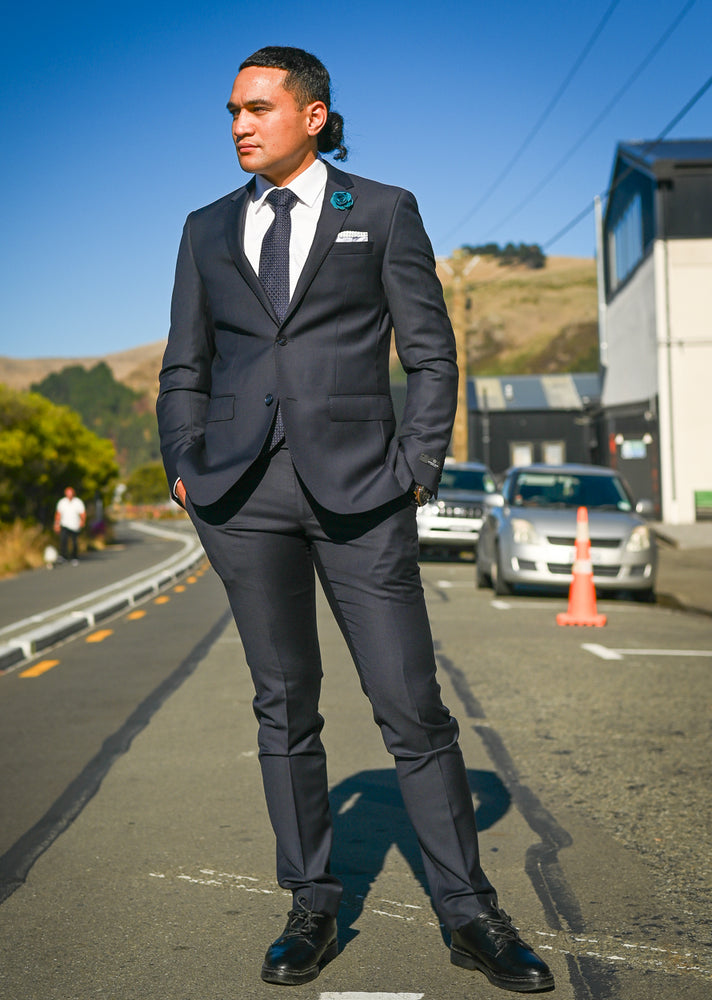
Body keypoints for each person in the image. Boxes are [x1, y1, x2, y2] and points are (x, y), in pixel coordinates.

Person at [157, 46, 554, 993]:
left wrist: (416, 468)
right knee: (284, 706)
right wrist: (183, 461)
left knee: (410, 707)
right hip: (242, 500)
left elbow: (430, 353)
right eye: (231, 111)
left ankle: (470, 913)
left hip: (362, 496)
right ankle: (312, 904)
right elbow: (187, 360)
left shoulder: (379, 211)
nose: (240, 125)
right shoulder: (206, 228)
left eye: (258, 108)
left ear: (315, 115)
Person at [54, 486, 85, 564]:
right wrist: (57, 524)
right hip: (65, 524)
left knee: (74, 542)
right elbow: (58, 514)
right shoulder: (62, 502)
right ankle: (63, 556)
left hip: (75, 525)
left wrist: (82, 521)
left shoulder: (78, 502)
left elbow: (82, 513)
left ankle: (74, 556)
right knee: (63, 540)